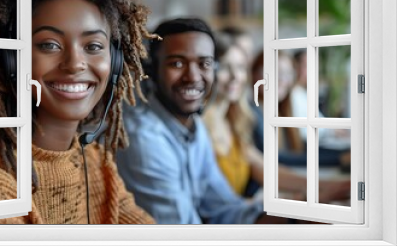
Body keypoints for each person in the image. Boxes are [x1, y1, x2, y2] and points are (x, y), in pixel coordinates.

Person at [0, 0, 156, 224]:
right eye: (49, 45)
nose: (75, 64)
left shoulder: (94, 160)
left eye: (93, 46)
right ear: (11, 58)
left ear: (113, 64)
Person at [116, 18, 283, 224]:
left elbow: (225, 208)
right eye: (177, 63)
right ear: (151, 71)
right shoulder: (143, 137)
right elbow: (184, 233)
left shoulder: (195, 128)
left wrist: (293, 220)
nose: (193, 77)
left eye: (204, 63)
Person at [204, 31, 350, 202]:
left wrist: (332, 186)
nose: (236, 76)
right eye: (224, 67)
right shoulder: (200, 129)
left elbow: (268, 169)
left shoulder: (235, 121)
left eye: (240, 67)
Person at [251, 51, 349, 167]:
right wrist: (338, 159)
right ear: (255, 74)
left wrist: (344, 153)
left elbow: (300, 149)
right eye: (275, 73)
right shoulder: (253, 115)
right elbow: (276, 159)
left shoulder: (281, 112)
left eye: (287, 74)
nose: (282, 79)